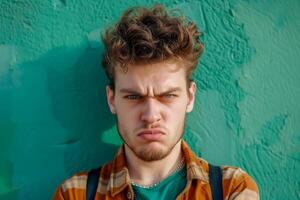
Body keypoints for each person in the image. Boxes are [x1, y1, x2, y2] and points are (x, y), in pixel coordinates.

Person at [53, 4, 259, 200]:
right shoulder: (75, 194)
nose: (151, 116)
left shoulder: (230, 188)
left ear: (190, 97)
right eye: (133, 97)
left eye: (168, 96)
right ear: (111, 99)